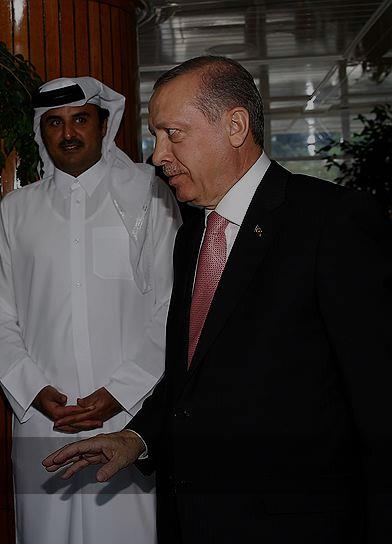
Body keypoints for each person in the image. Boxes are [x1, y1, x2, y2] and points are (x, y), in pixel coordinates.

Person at [43, 56, 392, 544]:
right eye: (155, 136)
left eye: (172, 134)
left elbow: (378, 400)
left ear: (235, 126)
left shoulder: (331, 221)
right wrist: (136, 437)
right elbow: (190, 377)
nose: (157, 155)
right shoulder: (192, 234)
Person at [0, 76, 181, 543]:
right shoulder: (15, 210)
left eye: (80, 119)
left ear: (104, 125)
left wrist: (121, 392)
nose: (68, 133)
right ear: (41, 131)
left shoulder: (150, 199)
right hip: (43, 419)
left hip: (130, 417)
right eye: (55, 122)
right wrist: (33, 390)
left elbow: (171, 306)